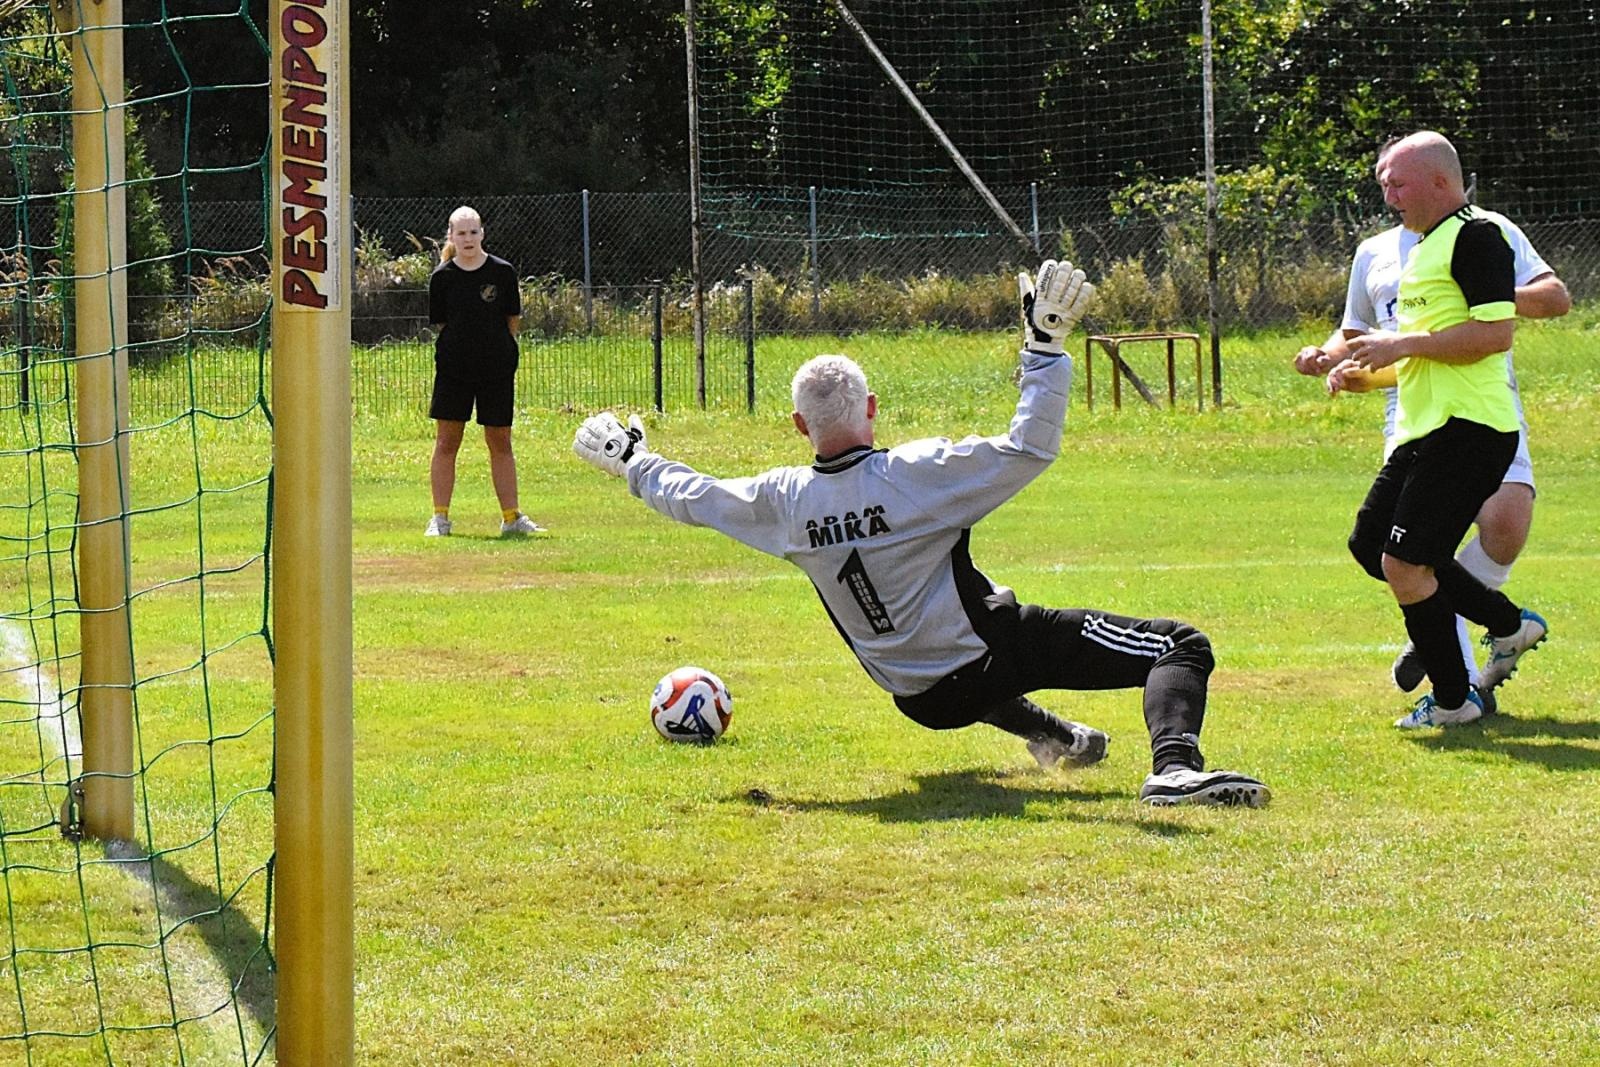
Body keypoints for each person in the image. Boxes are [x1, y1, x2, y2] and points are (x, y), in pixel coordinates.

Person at [573, 260, 1270, 807]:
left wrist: (634, 460)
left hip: (919, 700)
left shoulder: (783, 501)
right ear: (872, 407)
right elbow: (1030, 446)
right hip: (988, 662)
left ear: (798, 426)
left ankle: (1057, 738)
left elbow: (694, 496)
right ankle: (1176, 770)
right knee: (1179, 644)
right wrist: (1045, 348)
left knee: (953, 638)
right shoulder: (918, 474)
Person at [1294, 140, 1570, 706]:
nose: (1387, 197)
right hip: (1418, 416)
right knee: (1385, 547)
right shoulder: (1389, 252)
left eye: (1396, 184)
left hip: (1476, 413)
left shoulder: (1480, 233)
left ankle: (1454, 674)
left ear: (1439, 182)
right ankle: (1469, 644)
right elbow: (1360, 335)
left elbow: (1548, 302)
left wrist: (1487, 290)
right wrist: (1335, 361)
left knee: (1498, 525)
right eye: (1383, 185)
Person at [424, 205, 545, 538]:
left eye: (473, 232)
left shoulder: (502, 273)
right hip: (453, 371)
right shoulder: (442, 278)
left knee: (500, 441)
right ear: (451, 236)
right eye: (461, 233)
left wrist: (496, 353)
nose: (468, 239)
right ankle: (440, 519)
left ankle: (511, 517)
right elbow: (443, 324)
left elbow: (511, 320)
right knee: (447, 441)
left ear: (482, 234)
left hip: (496, 370)